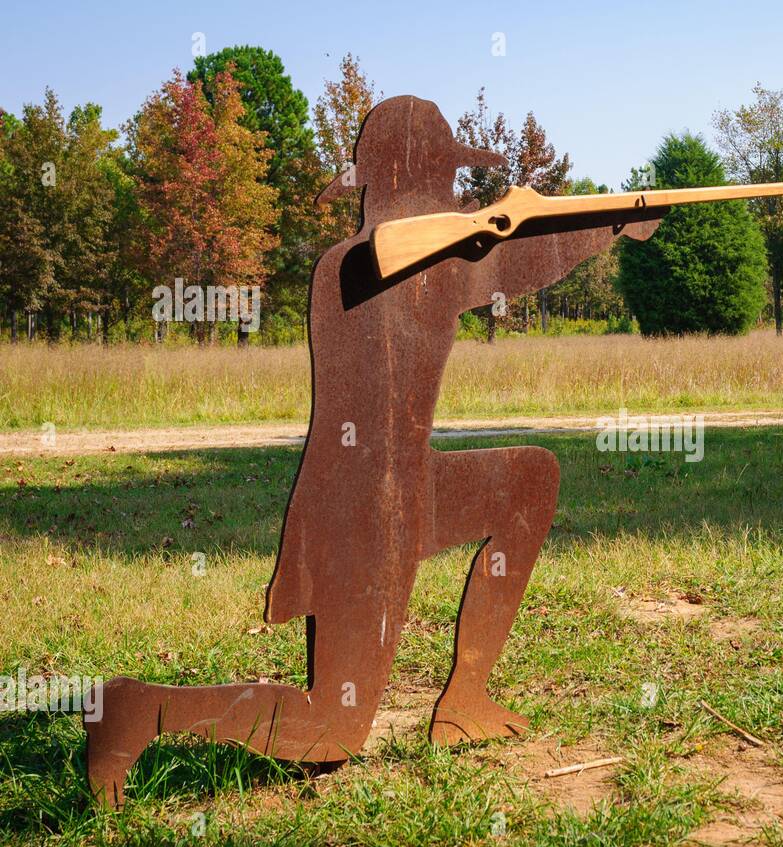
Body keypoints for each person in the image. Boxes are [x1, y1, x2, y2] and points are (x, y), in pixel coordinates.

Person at [84, 95, 660, 807]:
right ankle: (141, 710)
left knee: (527, 479)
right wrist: (580, 228)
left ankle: (464, 703)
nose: (454, 192)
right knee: (331, 732)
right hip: (359, 510)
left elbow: (506, 264)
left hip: (408, 488)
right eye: (444, 174)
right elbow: (498, 266)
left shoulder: (423, 261)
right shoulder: (356, 265)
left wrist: (598, 223)